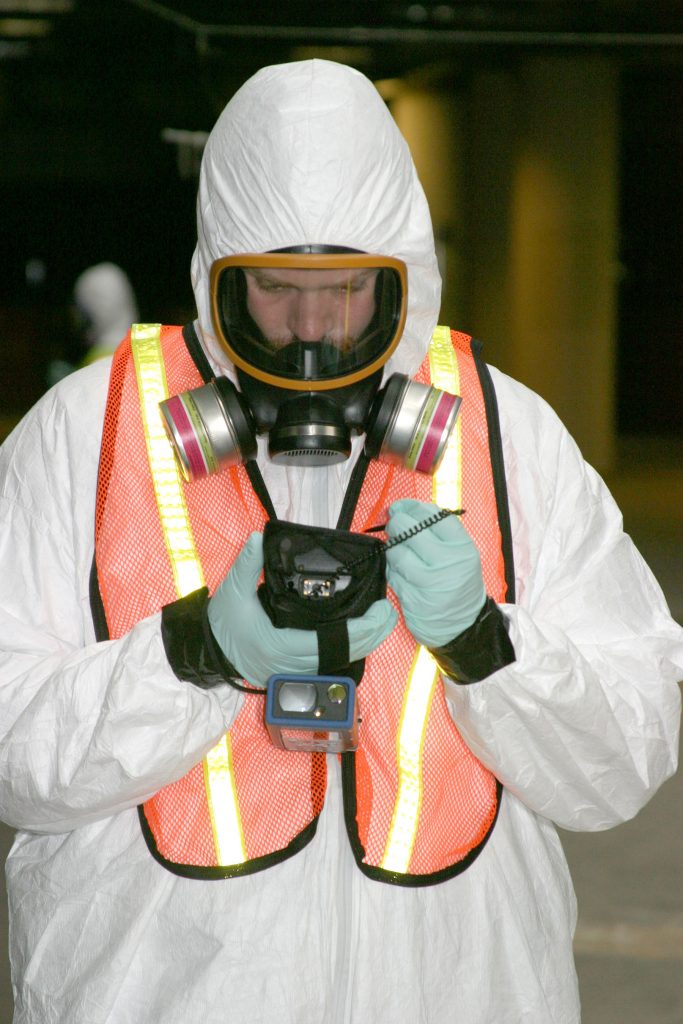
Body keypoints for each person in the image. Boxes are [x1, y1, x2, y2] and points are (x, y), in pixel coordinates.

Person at [0, 59, 680, 1024]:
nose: (313, 327)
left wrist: (489, 646)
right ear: (218, 274)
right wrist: (187, 654)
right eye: (275, 289)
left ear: (405, 275)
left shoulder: (504, 434)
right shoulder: (89, 436)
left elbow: (624, 758)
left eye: (351, 290)